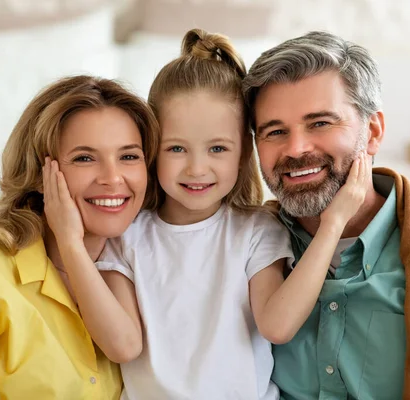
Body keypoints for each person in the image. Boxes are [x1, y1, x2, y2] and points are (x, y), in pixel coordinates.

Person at [48, 28, 367, 399]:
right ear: (152, 151)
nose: (197, 169)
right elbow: (123, 346)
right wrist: (70, 243)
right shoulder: (129, 236)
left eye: (217, 148)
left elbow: (277, 326)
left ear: (244, 155)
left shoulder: (255, 230)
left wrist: (332, 225)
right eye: (177, 149)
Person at [242, 31, 410, 399]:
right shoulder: (245, 248)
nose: (295, 149)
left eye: (320, 123)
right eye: (275, 131)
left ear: (372, 132)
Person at [0, 75, 161, 399]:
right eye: (84, 158)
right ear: (37, 174)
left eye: (129, 156)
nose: (112, 178)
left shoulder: (144, 274)